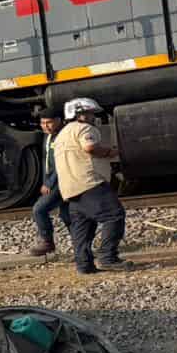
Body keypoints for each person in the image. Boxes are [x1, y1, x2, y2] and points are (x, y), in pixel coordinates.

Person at [53, 97, 132, 274]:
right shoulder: (84, 129)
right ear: (79, 114)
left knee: (83, 227)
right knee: (114, 215)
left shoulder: (61, 135)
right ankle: (108, 258)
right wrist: (110, 152)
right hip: (89, 183)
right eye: (89, 113)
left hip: (69, 188)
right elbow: (89, 148)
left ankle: (84, 265)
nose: (92, 117)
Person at [28, 106, 71, 256]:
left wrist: (49, 183)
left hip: (62, 180)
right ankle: (81, 244)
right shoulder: (47, 136)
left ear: (58, 120)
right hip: (52, 180)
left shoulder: (63, 136)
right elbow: (46, 161)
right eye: (42, 123)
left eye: (49, 123)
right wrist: (44, 181)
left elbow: (62, 162)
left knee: (39, 209)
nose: (45, 126)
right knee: (67, 214)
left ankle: (47, 242)